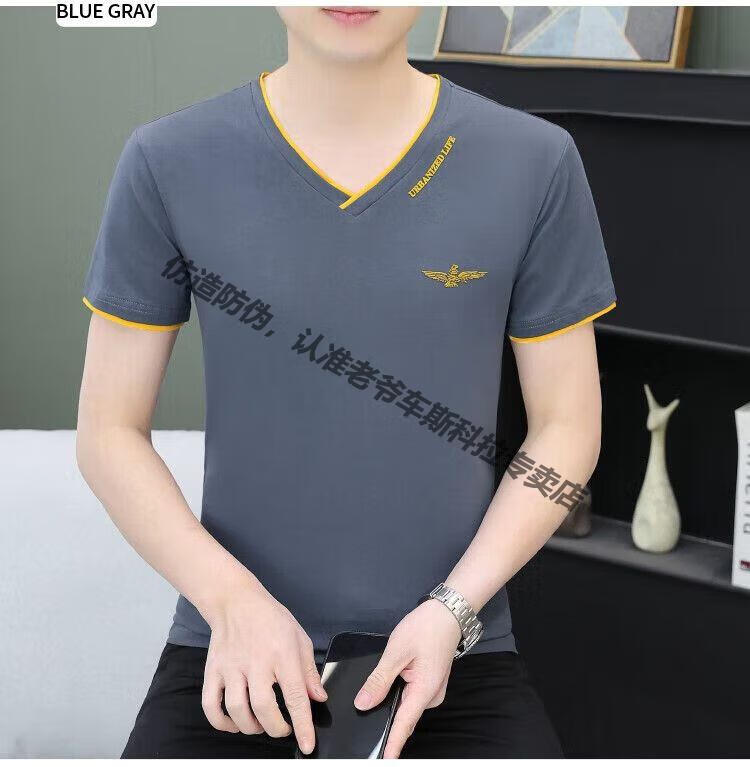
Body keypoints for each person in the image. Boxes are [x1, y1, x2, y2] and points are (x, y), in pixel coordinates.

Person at [76, 6, 616, 759]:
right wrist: (232, 601)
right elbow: (108, 432)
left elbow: (567, 425)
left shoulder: (534, 161)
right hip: (235, 644)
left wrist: (453, 610)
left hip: (458, 649)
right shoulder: (167, 161)